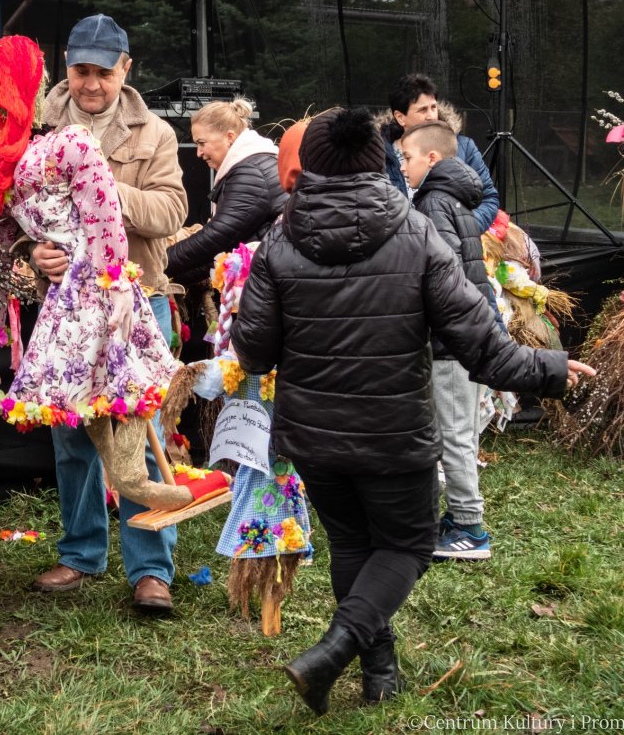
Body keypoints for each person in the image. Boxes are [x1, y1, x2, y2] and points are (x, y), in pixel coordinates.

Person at [230, 107, 594, 714]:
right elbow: (480, 343)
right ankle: (333, 653)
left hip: (314, 435)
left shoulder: (279, 240)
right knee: (407, 546)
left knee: (353, 544)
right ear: (379, 162)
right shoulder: (415, 232)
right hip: (392, 434)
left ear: (309, 165)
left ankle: (380, 672)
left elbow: (254, 351)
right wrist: (548, 368)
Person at [28, 14, 189, 612]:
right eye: (81, 71)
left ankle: (151, 569)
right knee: (72, 434)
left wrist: (100, 188)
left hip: (139, 302)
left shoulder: (156, 133)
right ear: (66, 67)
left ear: (126, 68)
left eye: (103, 72)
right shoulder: (38, 126)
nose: (91, 84)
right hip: (68, 309)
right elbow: (16, 213)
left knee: (141, 438)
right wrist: (33, 252)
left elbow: (171, 211)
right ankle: (80, 553)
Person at [400, 122, 499, 561]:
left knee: (455, 434)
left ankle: (469, 527)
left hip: (452, 343)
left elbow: (444, 278)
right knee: (459, 431)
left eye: (407, 158)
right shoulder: (454, 199)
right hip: (464, 338)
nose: (403, 167)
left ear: (432, 158)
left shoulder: (433, 203)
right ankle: (458, 518)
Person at [166, 98, 286, 286]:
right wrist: (172, 276)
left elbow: (218, 237)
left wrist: (160, 265)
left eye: (202, 143)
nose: (198, 153)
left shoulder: (251, 172)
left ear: (230, 137)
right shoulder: (255, 163)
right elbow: (224, 247)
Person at [376, 74, 500, 233]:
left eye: (433, 107)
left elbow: (489, 199)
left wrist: (462, 227)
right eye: (422, 110)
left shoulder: (464, 147)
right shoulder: (379, 154)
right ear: (400, 117)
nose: (431, 116)